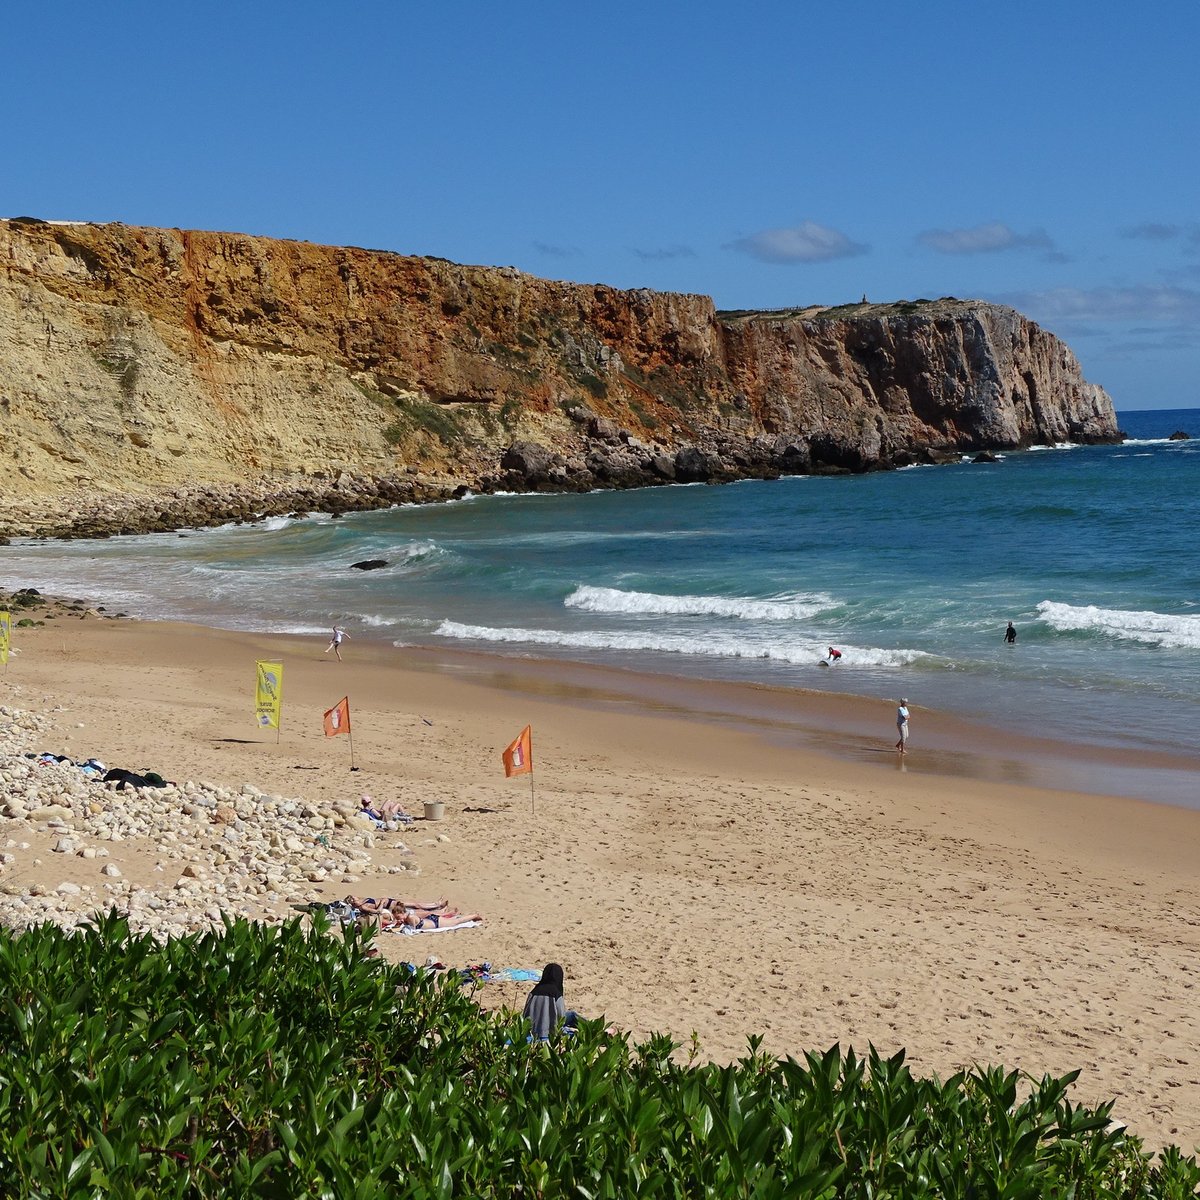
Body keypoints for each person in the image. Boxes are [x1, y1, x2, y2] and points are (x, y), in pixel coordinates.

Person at [523, 962, 577, 1041]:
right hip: (549, 1033)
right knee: (572, 1015)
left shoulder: (534, 991)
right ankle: (593, 1029)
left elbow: (525, 1014)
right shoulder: (556, 993)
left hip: (532, 1031)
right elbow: (561, 1017)